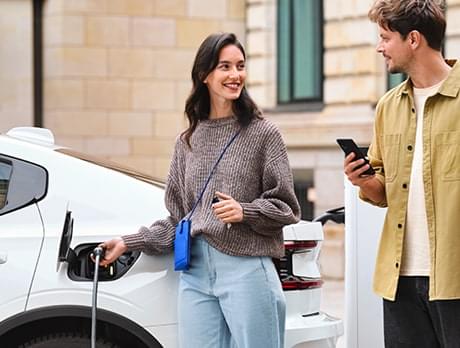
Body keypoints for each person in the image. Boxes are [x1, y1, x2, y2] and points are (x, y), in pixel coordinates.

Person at [98, 32, 300, 348]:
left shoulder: (263, 134)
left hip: (246, 269)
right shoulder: (188, 140)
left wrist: (244, 211)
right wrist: (129, 242)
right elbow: (179, 217)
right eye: (225, 67)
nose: (235, 76)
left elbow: (287, 207)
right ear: (204, 75)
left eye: (240, 66)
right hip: (195, 273)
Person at [344, 0, 460, 347]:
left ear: (413, 39)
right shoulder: (388, 106)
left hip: (454, 277)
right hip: (400, 280)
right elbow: (383, 193)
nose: (379, 47)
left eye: (384, 37)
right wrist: (364, 180)